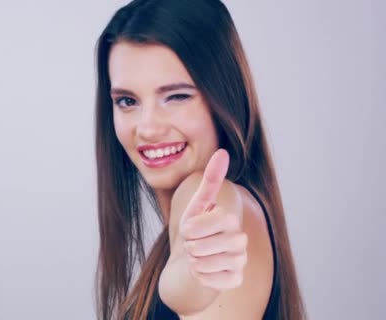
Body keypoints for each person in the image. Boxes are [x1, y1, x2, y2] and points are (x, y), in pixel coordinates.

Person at [93, 0, 306, 318]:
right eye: (127, 101)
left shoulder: (214, 199)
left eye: (177, 96)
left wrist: (192, 277)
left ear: (224, 97)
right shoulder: (237, 208)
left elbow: (187, 287)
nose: (148, 128)